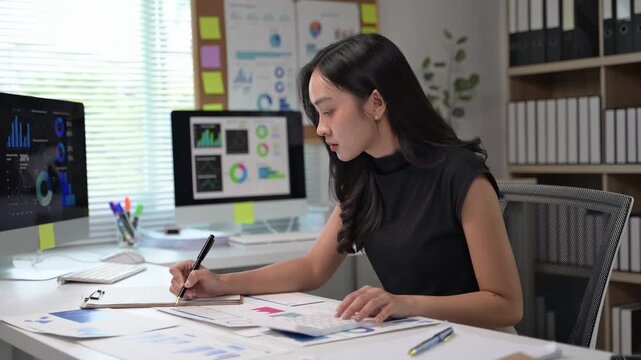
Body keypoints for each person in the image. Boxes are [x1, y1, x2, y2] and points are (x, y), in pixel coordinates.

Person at [169, 33, 523, 329]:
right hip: (414, 338)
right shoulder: (363, 176)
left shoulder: (461, 176)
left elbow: (506, 306)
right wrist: (221, 284)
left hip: (482, 344)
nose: (321, 129)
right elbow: (312, 268)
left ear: (376, 103)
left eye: (328, 111)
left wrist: (406, 304)